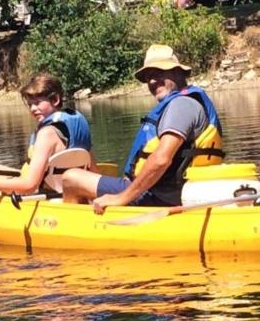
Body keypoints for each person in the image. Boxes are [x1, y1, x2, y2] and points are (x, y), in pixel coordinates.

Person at [63, 44, 224, 211]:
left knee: (71, 179)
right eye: (148, 77)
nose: (153, 81)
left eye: (159, 73)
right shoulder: (187, 102)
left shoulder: (180, 105)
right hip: (170, 192)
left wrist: (122, 197)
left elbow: (161, 159)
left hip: (158, 196)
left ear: (177, 72)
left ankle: (75, 233)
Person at [0, 73, 95, 196]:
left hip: (37, 193)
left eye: (37, 103)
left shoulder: (47, 134)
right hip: (66, 189)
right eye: (30, 105)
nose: (33, 109)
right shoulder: (77, 122)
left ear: (55, 99)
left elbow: (29, 185)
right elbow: (93, 170)